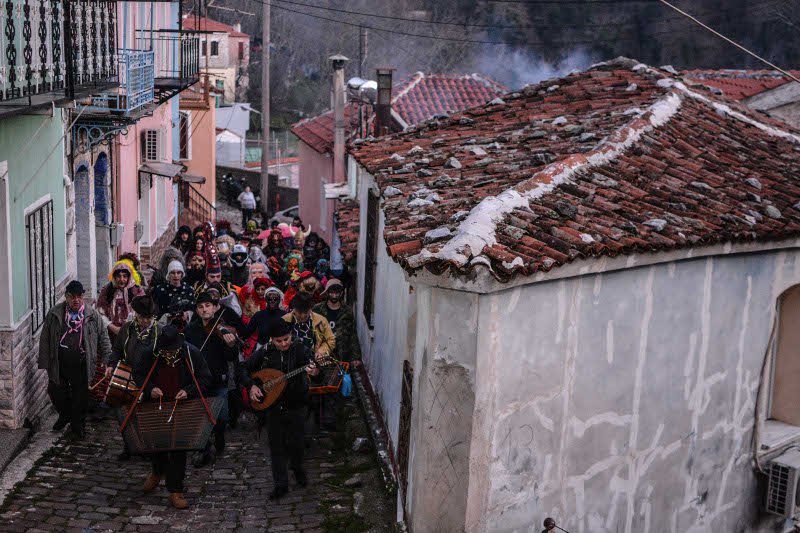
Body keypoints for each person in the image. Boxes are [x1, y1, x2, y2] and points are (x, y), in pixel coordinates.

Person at [238, 319, 318, 500]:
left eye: (286, 339)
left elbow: (314, 366)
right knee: (276, 447)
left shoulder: (300, 349)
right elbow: (243, 368)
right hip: (273, 406)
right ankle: (280, 485)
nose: (283, 344)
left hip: (296, 404)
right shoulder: (265, 352)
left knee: (297, 445)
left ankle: (298, 470)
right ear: (272, 340)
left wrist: (315, 371)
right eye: (279, 341)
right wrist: (251, 386)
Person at [135, 325, 211, 510]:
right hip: (156, 405)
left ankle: (175, 489)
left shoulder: (192, 354)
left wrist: (188, 391)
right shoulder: (149, 353)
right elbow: (138, 374)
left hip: (182, 406)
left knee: (178, 448)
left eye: (172, 351)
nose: (168, 355)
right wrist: (150, 388)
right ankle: (157, 471)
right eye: (165, 351)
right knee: (157, 443)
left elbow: (205, 378)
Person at [38, 281, 112, 438]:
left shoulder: (92, 315)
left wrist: (107, 359)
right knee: (55, 390)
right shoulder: (55, 314)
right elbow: (45, 338)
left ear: (83, 297)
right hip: (59, 360)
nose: (76, 300)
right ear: (66, 297)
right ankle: (65, 415)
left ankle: (77, 425)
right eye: (72, 297)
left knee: (80, 395)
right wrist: (45, 362)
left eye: (79, 297)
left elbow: (104, 338)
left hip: (82, 362)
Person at [184, 291, 239, 465]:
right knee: (202, 417)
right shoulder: (190, 329)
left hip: (218, 378)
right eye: (200, 307)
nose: (204, 310)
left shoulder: (223, 329)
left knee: (221, 418)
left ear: (215, 308)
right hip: (199, 380)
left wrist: (231, 345)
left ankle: (220, 436)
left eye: (208, 306)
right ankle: (204, 450)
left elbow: (231, 357)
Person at [106, 294, 160, 461]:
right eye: (143, 317)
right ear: (136, 314)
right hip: (128, 375)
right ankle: (129, 445)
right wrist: (111, 364)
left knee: (146, 415)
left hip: (150, 380)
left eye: (149, 318)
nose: (145, 321)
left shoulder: (160, 332)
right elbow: (116, 350)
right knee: (123, 412)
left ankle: (148, 448)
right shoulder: (127, 329)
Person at [312, 279, 361, 430]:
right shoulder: (318, 310)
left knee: (336, 387)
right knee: (320, 387)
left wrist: (355, 357)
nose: (334, 294)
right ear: (327, 293)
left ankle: (334, 422)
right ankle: (318, 421)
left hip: (340, 355)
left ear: (341, 293)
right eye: (331, 291)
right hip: (321, 354)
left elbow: (352, 334)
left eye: (337, 291)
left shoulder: (346, 311)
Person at [97, 260, 145, 343]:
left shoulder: (137, 290)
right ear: (114, 277)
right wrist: (112, 327)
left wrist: (130, 327)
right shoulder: (107, 290)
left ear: (129, 277)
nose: (121, 279)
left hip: (134, 332)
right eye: (118, 276)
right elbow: (100, 312)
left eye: (124, 276)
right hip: (111, 333)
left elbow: (144, 311)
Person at [282, 292, 334, 361]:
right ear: (294, 309)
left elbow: (331, 340)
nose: (303, 316)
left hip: (313, 364)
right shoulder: (284, 320)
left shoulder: (321, 321)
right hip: (289, 364)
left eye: (306, 312)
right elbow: (273, 342)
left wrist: (321, 351)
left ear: (310, 309)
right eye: (299, 312)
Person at [153, 260, 195, 325]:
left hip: (184, 326)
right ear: (169, 274)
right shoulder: (161, 290)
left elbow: (193, 308)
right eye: (173, 273)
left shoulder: (188, 289)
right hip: (164, 326)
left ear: (182, 274)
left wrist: (187, 314)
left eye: (178, 273)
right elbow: (155, 310)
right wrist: (166, 316)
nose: (176, 275)